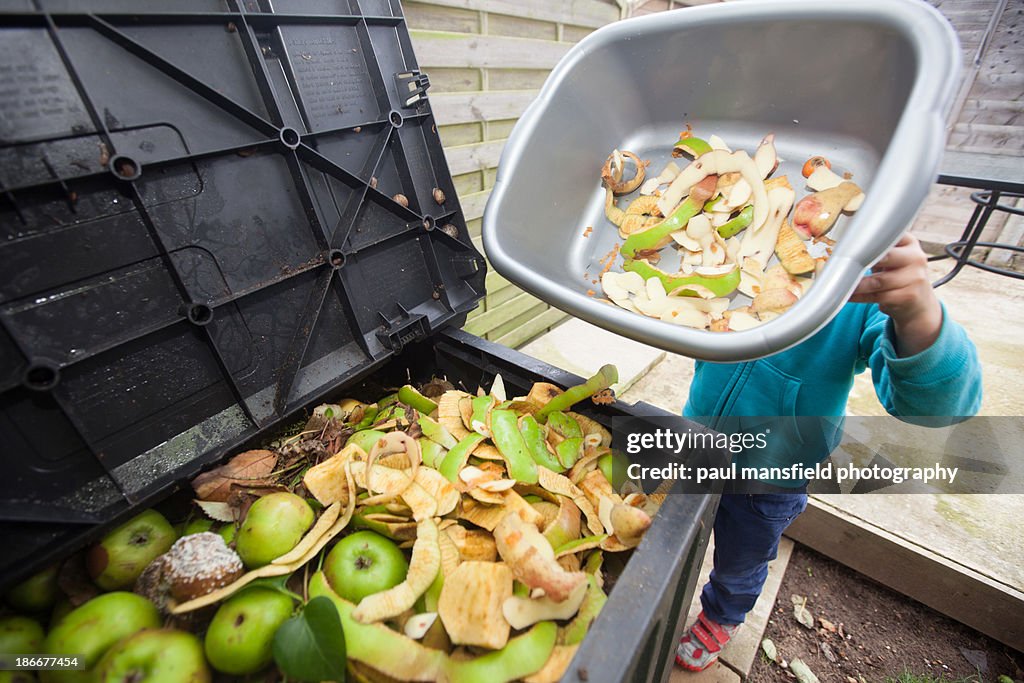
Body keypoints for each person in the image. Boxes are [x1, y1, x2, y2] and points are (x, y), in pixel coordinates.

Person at [675, 233, 983, 672]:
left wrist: (917, 313)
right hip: (698, 441)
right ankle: (670, 587)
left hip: (771, 476)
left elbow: (941, 409)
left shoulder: (857, 281)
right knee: (676, 531)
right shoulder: (735, 241)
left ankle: (722, 614)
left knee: (741, 560)